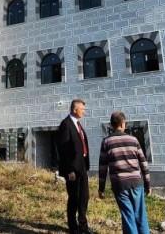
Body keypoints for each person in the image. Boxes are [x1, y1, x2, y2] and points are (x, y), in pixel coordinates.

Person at [98, 111, 151, 234]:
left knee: (128, 217)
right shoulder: (133, 139)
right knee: (141, 215)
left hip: (119, 185)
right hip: (137, 183)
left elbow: (102, 168)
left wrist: (101, 188)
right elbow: (144, 163)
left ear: (111, 125)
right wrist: (148, 184)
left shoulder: (106, 142)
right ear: (123, 124)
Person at [57, 98, 92, 234]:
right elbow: (63, 149)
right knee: (74, 198)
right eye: (82, 109)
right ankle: (73, 227)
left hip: (81, 166)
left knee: (84, 197)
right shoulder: (66, 124)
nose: (84, 111)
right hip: (72, 168)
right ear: (74, 109)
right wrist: (69, 170)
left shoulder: (78, 124)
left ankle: (83, 226)